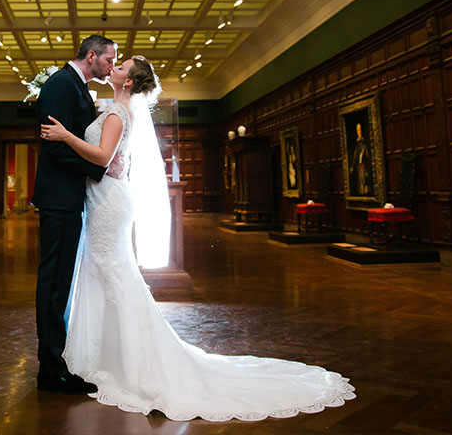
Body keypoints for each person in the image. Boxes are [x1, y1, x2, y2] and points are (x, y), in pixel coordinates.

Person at [41, 55, 355, 421]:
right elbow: (111, 158)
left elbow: (101, 156)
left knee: (111, 273)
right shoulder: (117, 109)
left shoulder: (117, 113)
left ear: (129, 82)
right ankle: (106, 356)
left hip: (108, 202)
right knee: (106, 273)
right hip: (105, 197)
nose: (114, 68)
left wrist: (64, 135)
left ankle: (127, 362)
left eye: (122, 66)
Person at [30, 34, 114, 395]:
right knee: (53, 283)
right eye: (109, 59)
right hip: (58, 199)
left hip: (66, 197)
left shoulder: (76, 86)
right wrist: (96, 170)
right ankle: (51, 371)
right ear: (91, 56)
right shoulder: (63, 84)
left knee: (60, 283)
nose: (111, 67)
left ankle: (54, 362)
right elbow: (52, 147)